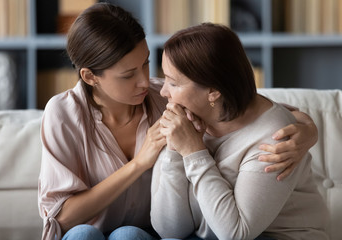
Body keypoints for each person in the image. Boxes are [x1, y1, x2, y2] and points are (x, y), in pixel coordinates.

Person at [38, 3, 319, 240]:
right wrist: (139, 164)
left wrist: (308, 132)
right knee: (81, 236)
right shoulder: (64, 114)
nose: (146, 82)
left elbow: (246, 107)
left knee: (128, 236)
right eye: (128, 75)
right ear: (90, 77)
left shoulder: (171, 99)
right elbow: (61, 216)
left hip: (148, 233)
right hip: (91, 230)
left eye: (146, 64)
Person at [150, 23, 329, 240]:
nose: (163, 91)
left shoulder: (275, 139)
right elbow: (170, 230)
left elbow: (236, 234)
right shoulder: (189, 119)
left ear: (214, 91)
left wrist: (193, 152)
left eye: (173, 83)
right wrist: (174, 150)